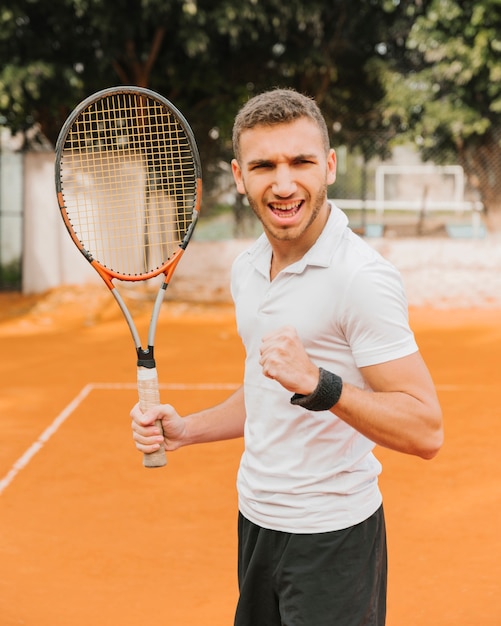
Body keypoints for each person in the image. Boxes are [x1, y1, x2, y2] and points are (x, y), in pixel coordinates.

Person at [131, 88, 444, 626]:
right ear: (238, 174)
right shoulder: (248, 268)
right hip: (256, 522)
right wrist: (188, 431)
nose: (282, 183)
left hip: (332, 536)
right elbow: (264, 394)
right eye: (263, 165)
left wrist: (321, 383)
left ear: (328, 166)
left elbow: (426, 430)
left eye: (300, 162)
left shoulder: (360, 278)